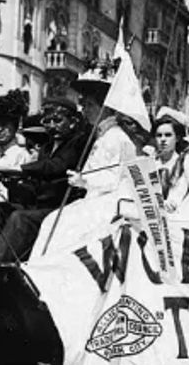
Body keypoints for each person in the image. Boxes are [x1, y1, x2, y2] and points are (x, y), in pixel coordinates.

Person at [31, 58, 143, 256]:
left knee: (61, 224)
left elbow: (115, 178)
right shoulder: (102, 135)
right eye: (84, 104)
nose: (85, 110)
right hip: (93, 199)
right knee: (53, 221)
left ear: (104, 108)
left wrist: (84, 180)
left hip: (109, 203)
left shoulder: (118, 139)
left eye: (90, 105)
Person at [0, 100, 88, 263]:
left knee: (20, 218)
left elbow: (58, 166)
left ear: (72, 123)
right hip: (40, 207)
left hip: (63, 208)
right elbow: (34, 188)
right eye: (47, 121)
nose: (51, 125)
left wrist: (22, 169)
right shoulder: (46, 148)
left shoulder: (78, 143)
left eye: (57, 120)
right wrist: (12, 184)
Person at [150, 116, 187, 197]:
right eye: (159, 135)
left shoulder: (184, 165)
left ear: (177, 138)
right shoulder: (149, 164)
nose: (163, 139)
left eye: (168, 135)